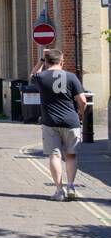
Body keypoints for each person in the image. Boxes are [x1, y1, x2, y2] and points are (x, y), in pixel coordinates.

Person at [31, 49, 88, 201]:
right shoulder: (71, 77)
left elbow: (32, 75)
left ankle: (59, 190)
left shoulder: (40, 77)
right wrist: (81, 114)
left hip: (50, 122)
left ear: (47, 61)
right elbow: (82, 101)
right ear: (61, 62)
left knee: (55, 156)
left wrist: (40, 61)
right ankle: (70, 185)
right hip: (71, 121)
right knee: (71, 155)